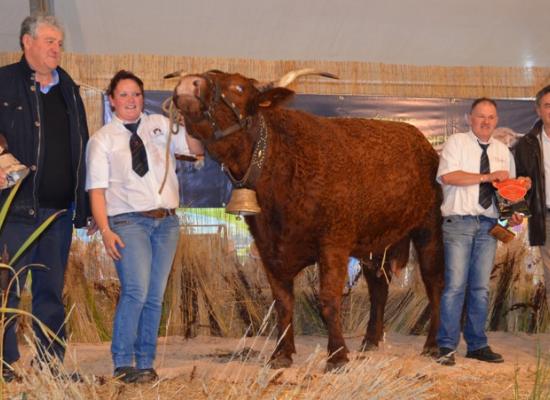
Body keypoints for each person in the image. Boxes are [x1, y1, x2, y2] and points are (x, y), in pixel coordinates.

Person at [86, 70, 202, 383]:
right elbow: (96, 190)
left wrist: (189, 118)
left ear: (143, 97)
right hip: (127, 222)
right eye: (123, 95)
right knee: (136, 290)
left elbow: (195, 149)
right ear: (111, 100)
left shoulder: (161, 124)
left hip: (166, 222)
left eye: (136, 94)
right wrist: (106, 229)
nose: (131, 100)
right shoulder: (102, 140)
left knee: (154, 295)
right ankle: (123, 362)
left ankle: (146, 361)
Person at [0, 15, 90, 382]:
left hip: (58, 213)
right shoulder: (4, 82)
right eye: (50, 41)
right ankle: (5, 368)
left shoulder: (69, 88)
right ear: (27, 42)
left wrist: (82, 208)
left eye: (60, 43)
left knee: (51, 292)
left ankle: (51, 367)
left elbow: (80, 147)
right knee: (7, 289)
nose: (57, 48)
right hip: (16, 210)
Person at [436, 98, 525, 366]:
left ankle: (477, 345)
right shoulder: (456, 143)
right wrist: (487, 177)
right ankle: (446, 347)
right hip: (459, 223)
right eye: (480, 116)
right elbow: (448, 177)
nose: (486, 121)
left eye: (491, 117)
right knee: (454, 287)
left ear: (497, 121)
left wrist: (514, 213)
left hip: (489, 225)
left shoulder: (503, 151)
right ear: (469, 118)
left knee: (480, 288)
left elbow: (508, 195)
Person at [514, 85, 550, 307]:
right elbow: (518, 182)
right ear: (538, 110)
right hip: (545, 217)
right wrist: (517, 211)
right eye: (548, 105)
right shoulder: (526, 145)